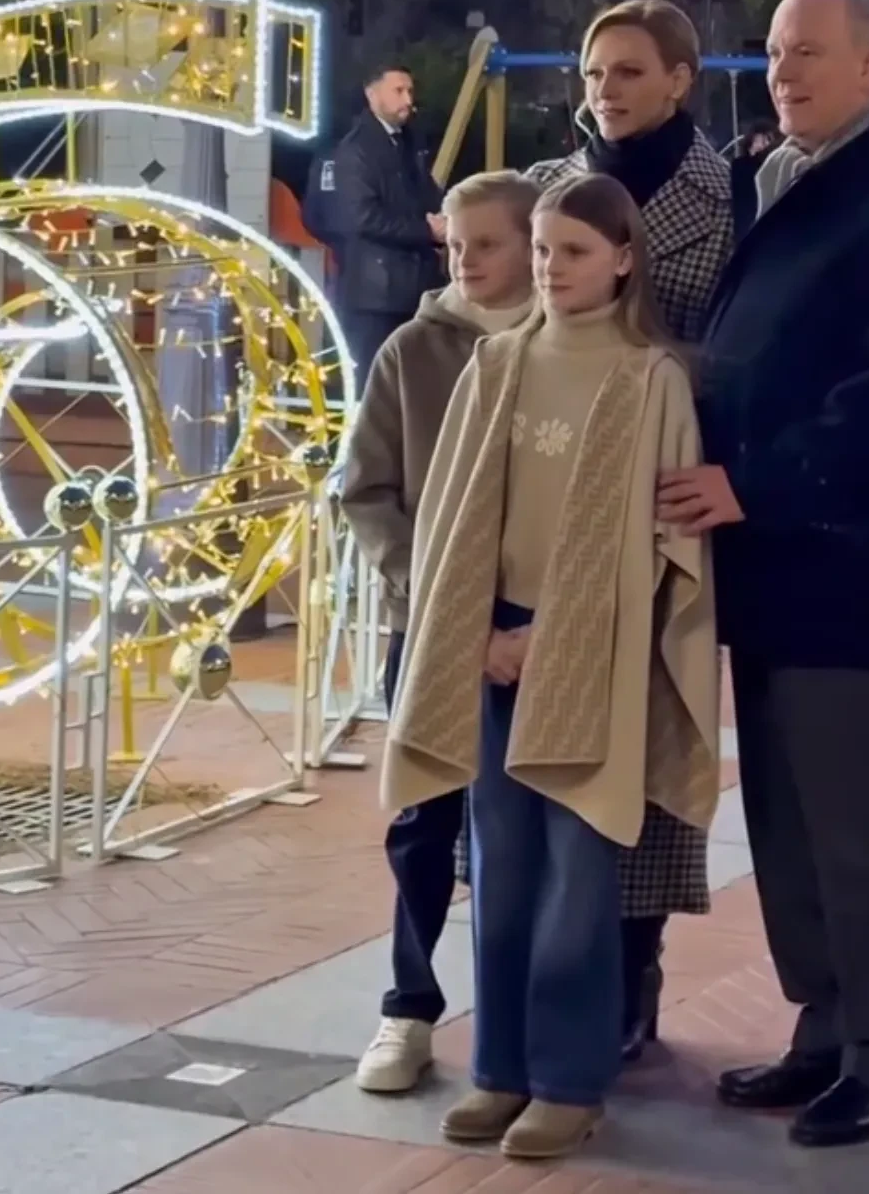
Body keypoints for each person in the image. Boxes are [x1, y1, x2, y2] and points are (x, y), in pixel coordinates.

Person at [660, 0, 869, 1149]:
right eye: (776, 52)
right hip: (771, 556)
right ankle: (827, 1029)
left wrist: (758, 479)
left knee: (852, 819)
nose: (783, 72)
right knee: (788, 815)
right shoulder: (795, 177)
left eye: (808, 53)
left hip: (843, 559)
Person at [383, 174, 719, 1162]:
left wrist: (558, 636)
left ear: (623, 259)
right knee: (501, 863)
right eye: (541, 251)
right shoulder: (498, 362)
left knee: (578, 871)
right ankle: (501, 1068)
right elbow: (452, 517)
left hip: (595, 647)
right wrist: (480, 635)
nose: (551, 269)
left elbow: (660, 543)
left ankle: (569, 1082)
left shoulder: (652, 379)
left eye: (574, 252)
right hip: (492, 639)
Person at [526, 0, 731, 1060]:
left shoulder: (728, 198)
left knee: (644, 730)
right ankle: (550, 966)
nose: (605, 89)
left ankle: (632, 965)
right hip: (548, 489)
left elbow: (734, 347)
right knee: (548, 733)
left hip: (659, 489)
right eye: (595, 71)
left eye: (630, 72)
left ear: (680, 80)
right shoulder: (548, 188)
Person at [342, 172, 540, 1095]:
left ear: (531, 245)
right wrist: (439, 604)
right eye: (454, 245)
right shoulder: (412, 351)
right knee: (424, 818)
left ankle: (529, 1019)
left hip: (536, 630)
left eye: (486, 243)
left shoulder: (566, 348)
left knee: (535, 826)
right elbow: (367, 491)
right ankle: (408, 1007)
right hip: (428, 624)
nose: (465, 260)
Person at [330, 66, 446, 392]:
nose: (408, 100)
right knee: (375, 387)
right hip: (376, 297)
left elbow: (425, 195)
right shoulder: (355, 150)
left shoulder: (408, 143)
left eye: (410, 91)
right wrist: (427, 231)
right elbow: (362, 217)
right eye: (398, 91)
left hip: (411, 288)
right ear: (372, 94)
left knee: (412, 388)